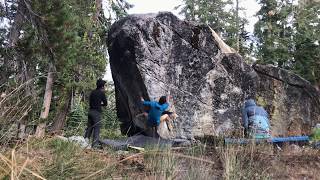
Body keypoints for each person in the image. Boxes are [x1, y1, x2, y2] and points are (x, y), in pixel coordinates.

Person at [84, 78, 107, 148]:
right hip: (96, 113)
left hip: (90, 111)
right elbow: (105, 103)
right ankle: (94, 145)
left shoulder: (92, 92)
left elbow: (90, 101)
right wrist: (100, 105)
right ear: (102, 86)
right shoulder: (102, 93)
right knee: (97, 128)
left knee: (89, 127)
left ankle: (84, 142)